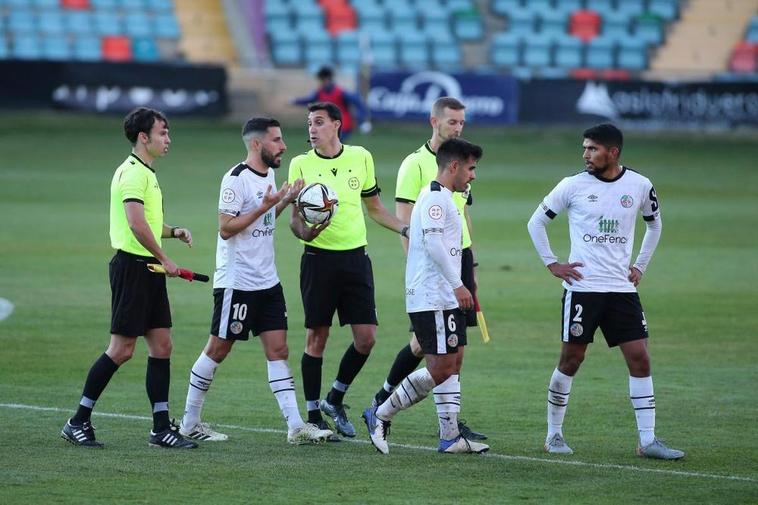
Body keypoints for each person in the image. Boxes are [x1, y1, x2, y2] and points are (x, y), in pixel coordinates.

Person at [526, 123, 684, 460]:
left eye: (592, 149)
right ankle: (554, 435)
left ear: (612, 152)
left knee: (640, 357)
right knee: (572, 359)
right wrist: (553, 263)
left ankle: (648, 441)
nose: (585, 154)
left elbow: (655, 224)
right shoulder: (572, 186)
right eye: (584, 148)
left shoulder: (640, 185)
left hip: (621, 289)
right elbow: (536, 222)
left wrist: (640, 266)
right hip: (583, 289)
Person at [178, 117, 333, 445]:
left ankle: (295, 426)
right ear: (256, 144)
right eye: (277, 140)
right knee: (218, 348)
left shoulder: (270, 175)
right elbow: (226, 227)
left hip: (267, 281)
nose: (284, 146)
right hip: (237, 282)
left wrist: (282, 202)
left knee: (278, 349)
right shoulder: (235, 179)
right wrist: (267, 204)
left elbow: (262, 220)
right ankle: (190, 422)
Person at [61, 107, 197, 449]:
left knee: (162, 345)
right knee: (121, 350)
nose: (168, 139)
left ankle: (161, 428)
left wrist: (174, 231)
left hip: (148, 269)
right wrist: (165, 258)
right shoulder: (132, 174)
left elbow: (147, 223)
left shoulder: (146, 173)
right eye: (162, 133)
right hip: (133, 268)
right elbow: (135, 224)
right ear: (143, 137)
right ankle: (77, 420)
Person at [367, 96, 487, 441]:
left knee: (451, 354)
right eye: (453, 121)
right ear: (434, 121)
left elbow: (461, 218)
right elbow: (409, 226)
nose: (458, 127)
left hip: (454, 267)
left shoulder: (455, 180)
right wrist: (423, 270)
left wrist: (470, 266)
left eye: (462, 122)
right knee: (432, 353)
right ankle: (381, 407)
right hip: (434, 278)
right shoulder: (418, 169)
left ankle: (449, 431)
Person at [288, 101, 408, 439]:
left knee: (366, 338)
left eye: (319, 122)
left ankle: (334, 398)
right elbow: (295, 221)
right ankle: (313, 414)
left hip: (356, 259)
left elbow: (376, 208)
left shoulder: (361, 157)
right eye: (309, 123)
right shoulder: (300, 164)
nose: (312, 129)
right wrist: (306, 232)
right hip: (317, 259)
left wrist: (405, 229)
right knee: (317, 337)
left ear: (337, 125)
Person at [292, 66, 371, 141]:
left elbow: (357, 102)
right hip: (328, 125)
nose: (321, 83)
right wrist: (296, 101)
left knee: (330, 145)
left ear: (327, 79)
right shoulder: (319, 92)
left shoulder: (341, 92)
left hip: (343, 124)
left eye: (322, 80)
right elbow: (309, 100)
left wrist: (362, 120)